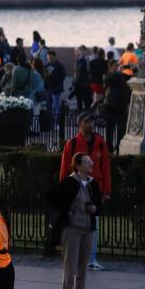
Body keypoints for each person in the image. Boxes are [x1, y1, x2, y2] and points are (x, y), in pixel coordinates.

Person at [48, 152, 101, 289]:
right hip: (72, 229)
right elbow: (52, 197)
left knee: (82, 270)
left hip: (88, 229)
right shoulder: (70, 182)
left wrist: (94, 209)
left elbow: (98, 204)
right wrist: (68, 211)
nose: (91, 165)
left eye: (91, 162)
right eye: (87, 162)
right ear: (78, 166)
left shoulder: (93, 184)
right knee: (70, 269)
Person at [59, 111, 112, 270]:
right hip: (76, 189)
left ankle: (91, 257)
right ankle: (77, 256)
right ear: (79, 124)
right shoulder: (72, 143)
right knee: (75, 222)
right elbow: (64, 168)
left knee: (94, 223)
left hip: (95, 188)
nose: (90, 124)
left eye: (92, 121)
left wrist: (106, 191)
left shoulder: (101, 143)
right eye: (87, 121)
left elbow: (105, 168)